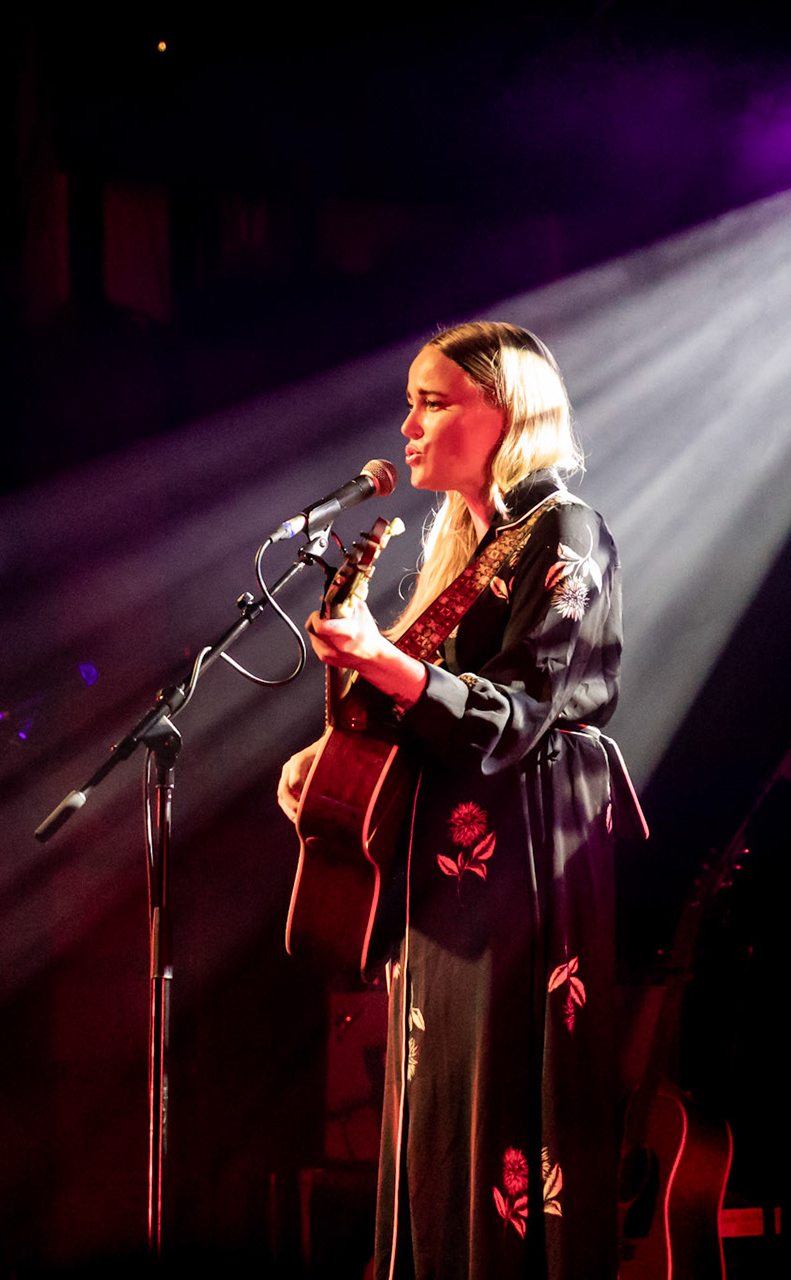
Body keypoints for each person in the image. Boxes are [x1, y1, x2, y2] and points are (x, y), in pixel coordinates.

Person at [278, 321, 638, 1279]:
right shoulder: (471, 550)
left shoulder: (565, 529)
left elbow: (517, 714)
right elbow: (417, 718)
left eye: (432, 403)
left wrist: (382, 659)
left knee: (510, 1114)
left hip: (521, 863)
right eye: (410, 404)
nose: (407, 426)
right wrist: (325, 758)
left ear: (506, 413)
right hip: (443, 881)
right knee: (439, 1120)